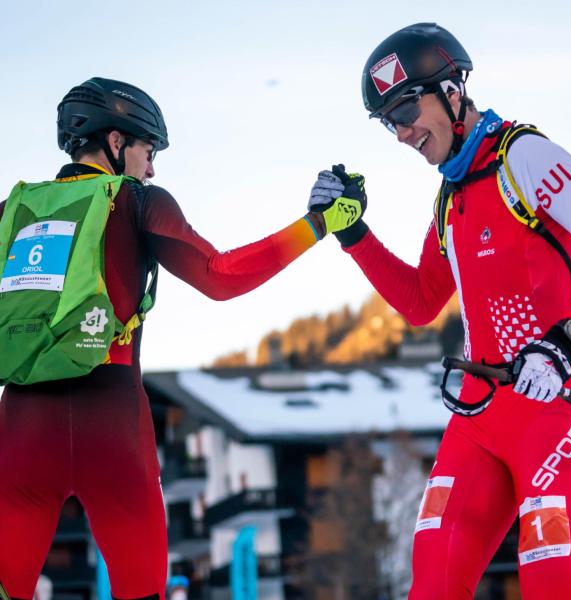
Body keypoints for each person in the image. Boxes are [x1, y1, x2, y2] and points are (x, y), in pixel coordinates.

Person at [0, 77, 362, 600]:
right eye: (148, 150)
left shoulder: (17, 212)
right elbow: (220, 276)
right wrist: (318, 223)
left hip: (20, 432)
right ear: (117, 142)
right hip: (112, 428)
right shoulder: (139, 201)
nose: (152, 168)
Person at [308, 23, 571, 599]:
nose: (401, 133)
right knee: (433, 584)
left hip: (555, 412)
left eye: (405, 111)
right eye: (389, 122)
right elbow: (420, 301)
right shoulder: (452, 193)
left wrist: (564, 343)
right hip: (480, 416)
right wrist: (353, 233)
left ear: (451, 91)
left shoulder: (526, 157)